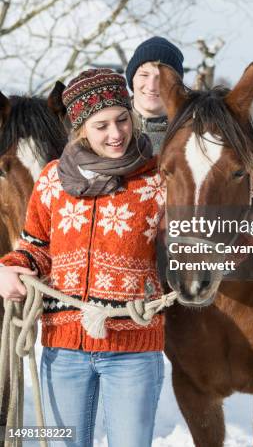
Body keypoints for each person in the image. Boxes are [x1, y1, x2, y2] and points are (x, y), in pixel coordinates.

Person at [0, 69, 165, 447]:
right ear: (80, 128)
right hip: (63, 350)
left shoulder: (157, 182)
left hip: (132, 351)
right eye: (101, 125)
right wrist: (11, 267)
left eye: (122, 120)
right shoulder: (50, 181)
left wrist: (251, 212)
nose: (115, 134)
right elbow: (37, 246)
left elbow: (198, 244)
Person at [125, 36, 184, 154]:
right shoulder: (112, 127)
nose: (151, 86)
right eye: (144, 75)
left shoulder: (190, 133)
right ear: (132, 79)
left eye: (161, 77)